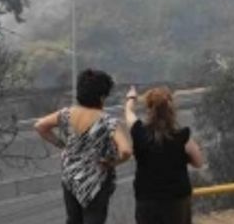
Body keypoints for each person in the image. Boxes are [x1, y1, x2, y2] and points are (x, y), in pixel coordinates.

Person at [35, 69, 133, 224]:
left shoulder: (66, 114)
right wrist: (112, 162)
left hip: (71, 177)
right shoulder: (108, 122)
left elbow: (40, 126)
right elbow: (126, 151)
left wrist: (62, 145)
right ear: (101, 97)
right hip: (96, 181)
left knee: (73, 219)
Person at [123, 85, 206, 224]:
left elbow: (128, 112)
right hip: (177, 200)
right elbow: (199, 162)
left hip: (147, 200)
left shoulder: (139, 133)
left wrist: (131, 97)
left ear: (149, 110)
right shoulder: (182, 136)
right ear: (171, 110)